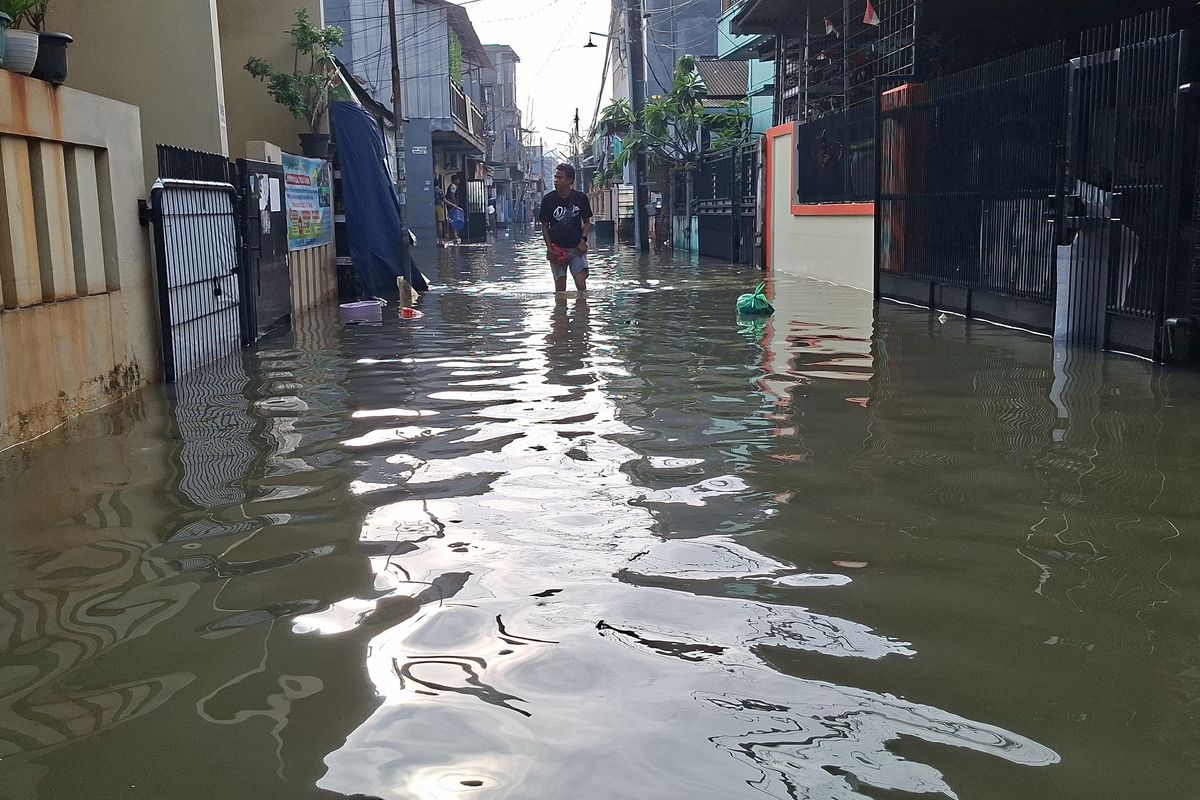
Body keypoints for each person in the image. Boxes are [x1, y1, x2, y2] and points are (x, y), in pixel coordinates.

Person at [538, 163, 592, 292]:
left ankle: (582, 310)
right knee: (560, 290)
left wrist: (583, 240)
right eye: (555, 177)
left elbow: (587, 222)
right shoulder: (548, 199)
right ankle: (561, 312)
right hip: (557, 249)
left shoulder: (580, 198)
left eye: (560, 177)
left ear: (570, 180)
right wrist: (549, 248)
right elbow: (544, 226)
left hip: (576, 248)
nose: (556, 180)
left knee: (581, 285)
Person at [444, 175, 462, 243]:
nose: (459, 181)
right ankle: (454, 234)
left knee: (451, 219)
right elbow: (452, 195)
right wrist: (455, 204)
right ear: (454, 180)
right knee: (454, 219)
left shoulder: (451, 186)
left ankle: (452, 234)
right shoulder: (453, 186)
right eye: (458, 180)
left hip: (450, 205)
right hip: (452, 205)